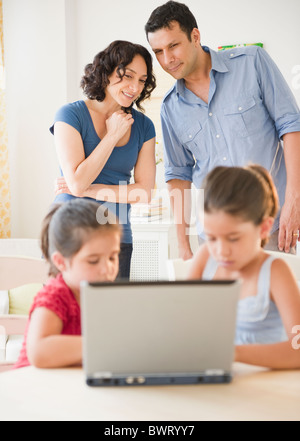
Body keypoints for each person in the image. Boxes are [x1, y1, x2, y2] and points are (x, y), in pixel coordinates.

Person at [145, 1, 300, 259]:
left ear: (195, 36)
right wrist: (183, 245)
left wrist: (294, 200)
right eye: (158, 51)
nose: (167, 60)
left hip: (271, 227)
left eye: (173, 46)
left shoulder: (252, 63)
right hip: (215, 240)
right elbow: (178, 174)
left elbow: (291, 126)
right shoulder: (170, 108)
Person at [50, 40, 157, 279]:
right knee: (68, 313)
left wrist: (89, 190)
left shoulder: (143, 126)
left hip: (117, 236)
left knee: (111, 314)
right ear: (106, 72)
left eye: (141, 80)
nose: (135, 87)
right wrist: (112, 136)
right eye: (127, 76)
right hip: (71, 233)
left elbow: (144, 193)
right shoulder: (69, 115)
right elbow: (77, 182)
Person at [188, 164, 300, 369]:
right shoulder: (205, 259)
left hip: (264, 387)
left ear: (264, 228)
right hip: (215, 379)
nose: (221, 251)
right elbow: (181, 316)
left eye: (233, 239)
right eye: (211, 238)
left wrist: (233, 353)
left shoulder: (276, 272)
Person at [14, 199, 121, 369]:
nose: (107, 268)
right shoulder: (55, 295)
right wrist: (101, 346)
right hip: (33, 386)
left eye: (112, 257)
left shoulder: (101, 294)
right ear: (61, 262)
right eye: (93, 261)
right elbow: (38, 351)